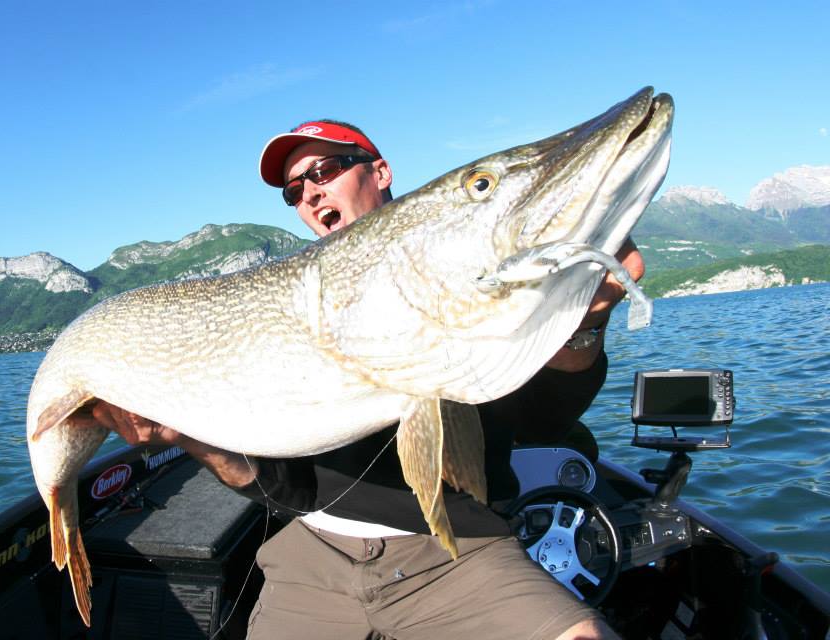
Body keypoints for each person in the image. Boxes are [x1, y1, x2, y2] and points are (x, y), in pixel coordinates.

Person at [91, 120, 644, 639]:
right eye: (293, 190)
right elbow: (287, 490)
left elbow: (541, 417)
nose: (308, 193)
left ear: (379, 173)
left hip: (457, 550)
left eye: (324, 171)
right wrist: (185, 436)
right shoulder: (291, 312)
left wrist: (587, 321)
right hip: (313, 553)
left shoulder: (450, 273)